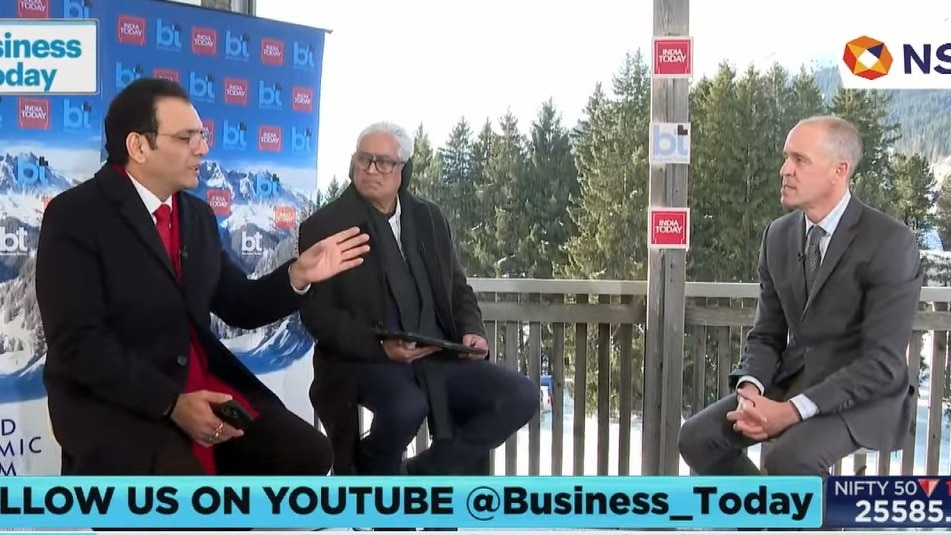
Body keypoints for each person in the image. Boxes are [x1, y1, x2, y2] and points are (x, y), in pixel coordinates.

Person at [35, 77, 370, 476]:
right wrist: (172, 402)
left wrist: (298, 274)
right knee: (187, 492)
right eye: (187, 137)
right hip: (120, 404)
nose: (204, 148)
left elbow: (237, 303)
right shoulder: (75, 216)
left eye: (202, 134)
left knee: (307, 453)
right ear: (138, 146)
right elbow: (79, 343)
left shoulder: (197, 217)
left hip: (203, 386)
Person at [677, 115, 922, 476]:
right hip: (795, 380)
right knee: (698, 438)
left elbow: (882, 362)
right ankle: (763, 518)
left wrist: (790, 412)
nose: (784, 170)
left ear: (839, 171)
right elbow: (766, 335)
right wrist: (751, 392)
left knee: (790, 460)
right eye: (786, 157)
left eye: (799, 160)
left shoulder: (890, 241)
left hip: (867, 392)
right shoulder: (778, 236)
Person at [298, 121, 538, 476]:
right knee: (406, 406)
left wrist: (473, 329)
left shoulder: (428, 217)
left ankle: (427, 470)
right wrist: (382, 347)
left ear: (403, 170)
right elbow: (319, 316)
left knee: (521, 396)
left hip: (435, 353)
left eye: (383, 162)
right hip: (363, 359)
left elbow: (457, 288)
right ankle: (376, 468)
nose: (371, 170)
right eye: (364, 160)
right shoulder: (325, 226)